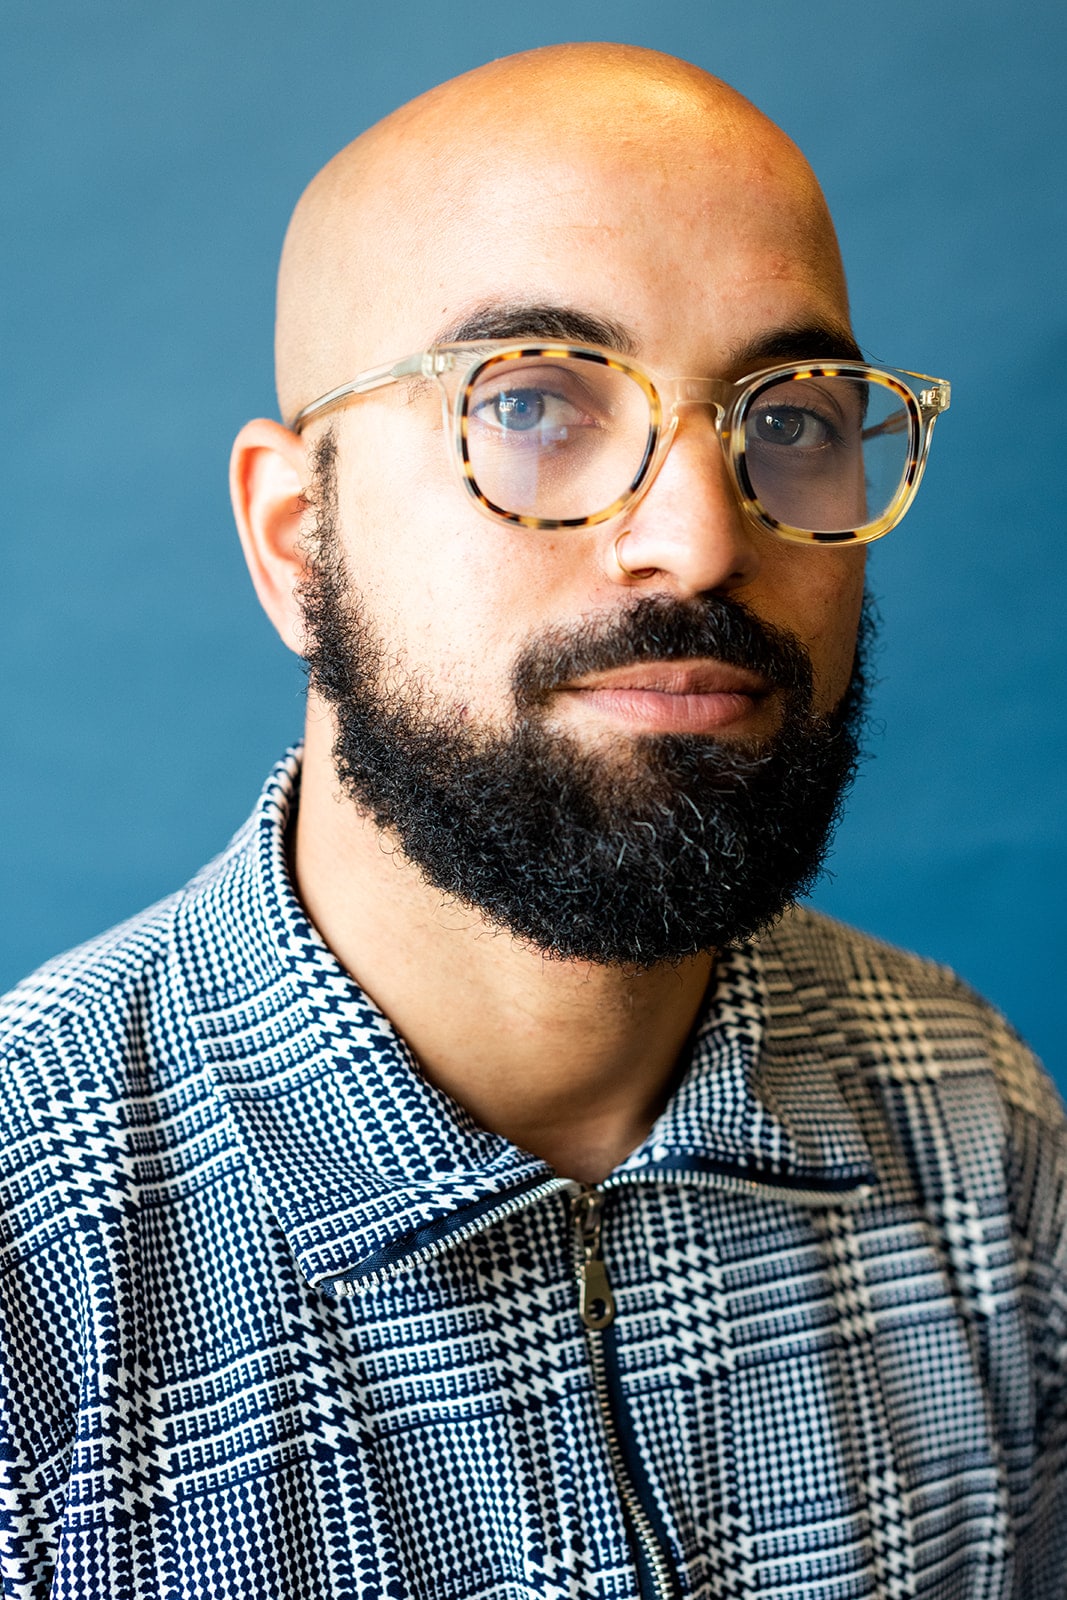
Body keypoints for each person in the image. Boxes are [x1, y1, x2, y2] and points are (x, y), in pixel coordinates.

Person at [0, 41, 1063, 1600]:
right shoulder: (35, 1260)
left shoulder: (978, 1124)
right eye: (537, 403)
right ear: (301, 542)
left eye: (792, 421)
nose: (702, 540)